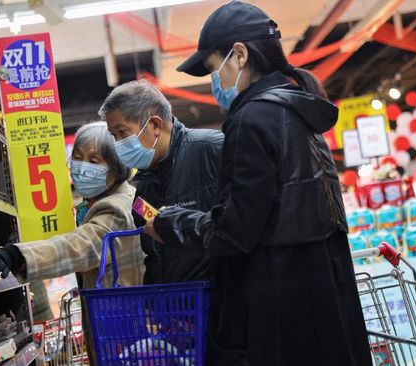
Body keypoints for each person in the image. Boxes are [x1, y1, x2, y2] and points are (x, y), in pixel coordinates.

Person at [145, 2, 372, 365]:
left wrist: (172, 224)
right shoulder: (299, 110)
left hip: (279, 312)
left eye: (211, 67)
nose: (213, 80)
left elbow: (233, 231)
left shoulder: (252, 119)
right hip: (324, 305)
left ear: (238, 54)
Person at [0, 121, 144, 289]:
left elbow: (78, 247)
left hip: (121, 311)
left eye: (94, 161)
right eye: (78, 158)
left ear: (116, 168)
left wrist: (16, 255)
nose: (82, 168)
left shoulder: (117, 208)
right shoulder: (121, 197)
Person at [99, 80, 223, 284]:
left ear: (155, 125)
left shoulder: (214, 150)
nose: (118, 144)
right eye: (114, 136)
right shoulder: (143, 188)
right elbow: (153, 256)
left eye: (122, 132)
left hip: (222, 301)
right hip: (177, 308)